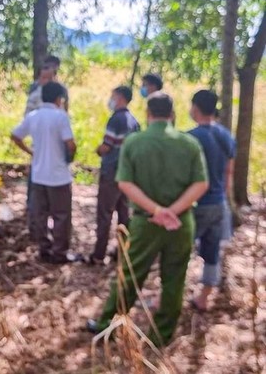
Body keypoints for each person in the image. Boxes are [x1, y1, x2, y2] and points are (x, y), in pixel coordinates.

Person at [87, 92, 208, 347]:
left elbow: (124, 183)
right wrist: (172, 211)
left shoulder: (134, 142)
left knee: (131, 275)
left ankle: (107, 325)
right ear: (172, 114)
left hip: (146, 222)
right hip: (180, 222)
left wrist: (156, 211)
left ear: (148, 114)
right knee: (174, 279)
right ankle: (161, 335)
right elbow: (201, 183)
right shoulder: (188, 143)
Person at [11, 81, 80, 264]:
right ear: (59, 99)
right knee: (61, 215)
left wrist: (31, 152)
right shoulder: (60, 117)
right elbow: (70, 143)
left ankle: (44, 248)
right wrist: (70, 155)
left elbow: (15, 136)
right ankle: (59, 252)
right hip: (58, 175)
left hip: (39, 173)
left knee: (40, 214)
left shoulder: (33, 116)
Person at [187, 90, 235, 311]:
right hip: (219, 203)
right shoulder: (226, 135)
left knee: (180, 250)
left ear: (195, 107)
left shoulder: (191, 137)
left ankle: (168, 296)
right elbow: (228, 173)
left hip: (197, 204)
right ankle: (204, 298)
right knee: (212, 251)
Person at [89, 86, 141, 264]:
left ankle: (98, 254)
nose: (110, 100)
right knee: (124, 214)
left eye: (112, 96)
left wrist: (98, 150)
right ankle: (122, 252)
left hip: (111, 172)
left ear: (119, 98)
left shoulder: (116, 119)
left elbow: (107, 146)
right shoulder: (134, 121)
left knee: (104, 214)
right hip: (128, 176)